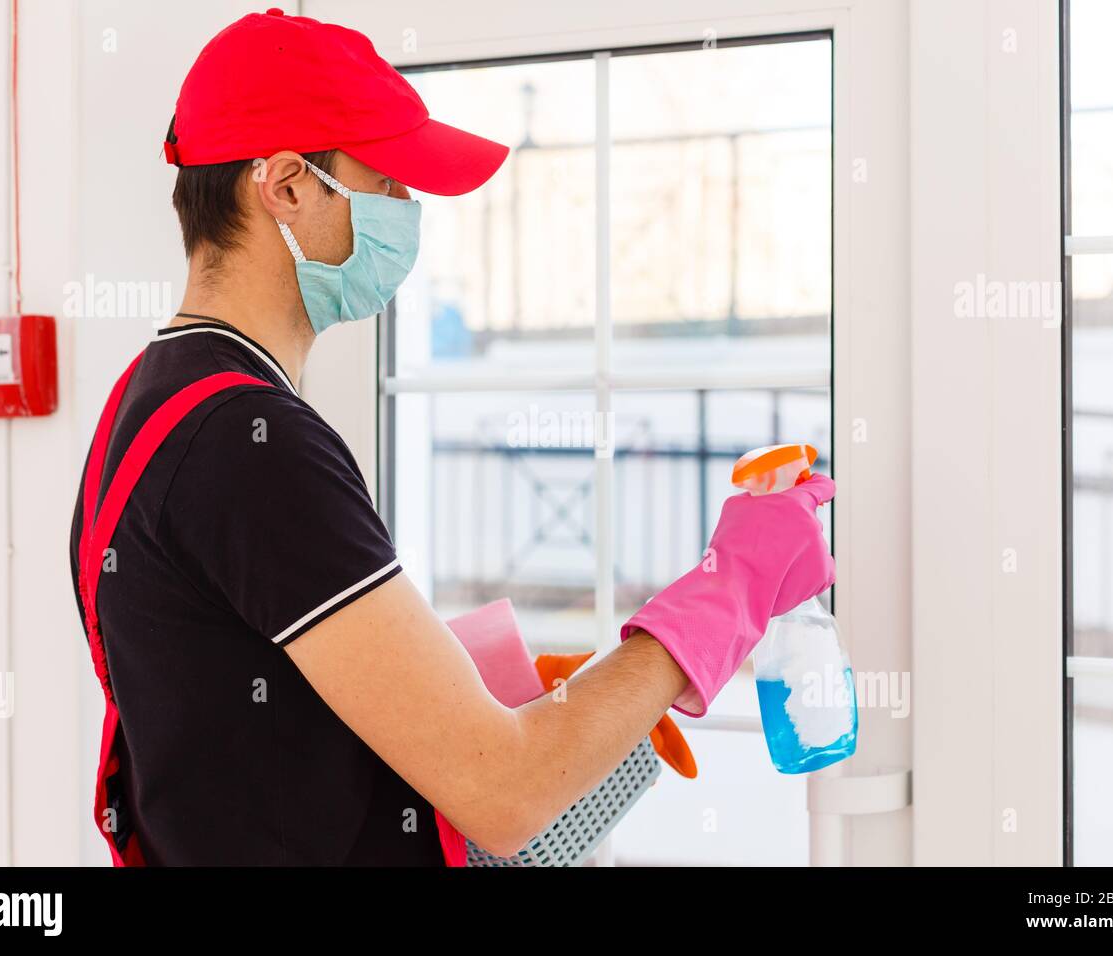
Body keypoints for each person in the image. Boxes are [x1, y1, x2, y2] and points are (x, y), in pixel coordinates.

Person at [69, 8, 836, 866]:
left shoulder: (152, 402)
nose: (408, 209)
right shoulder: (254, 448)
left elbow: (230, 687)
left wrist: (483, 685)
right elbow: (505, 795)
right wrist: (727, 588)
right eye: (388, 179)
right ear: (284, 184)